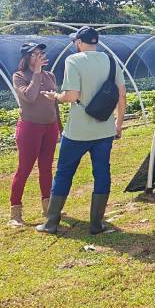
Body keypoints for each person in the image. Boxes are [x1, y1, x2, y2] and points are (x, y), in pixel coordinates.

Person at [37, 26, 127, 235]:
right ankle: (97, 224)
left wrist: (56, 97)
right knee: (102, 173)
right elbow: (122, 95)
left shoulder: (74, 61)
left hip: (77, 131)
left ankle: (51, 223)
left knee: (64, 173)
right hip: (104, 130)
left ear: (78, 42)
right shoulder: (111, 61)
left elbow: (71, 95)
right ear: (96, 42)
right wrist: (118, 124)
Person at [9, 42, 61, 227]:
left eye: (41, 53)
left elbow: (54, 103)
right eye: (35, 54)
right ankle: (15, 213)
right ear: (26, 57)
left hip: (50, 127)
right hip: (30, 128)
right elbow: (29, 97)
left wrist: (59, 128)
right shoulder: (19, 76)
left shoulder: (50, 75)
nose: (40, 56)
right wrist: (37, 73)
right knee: (24, 169)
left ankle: (48, 208)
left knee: (46, 168)